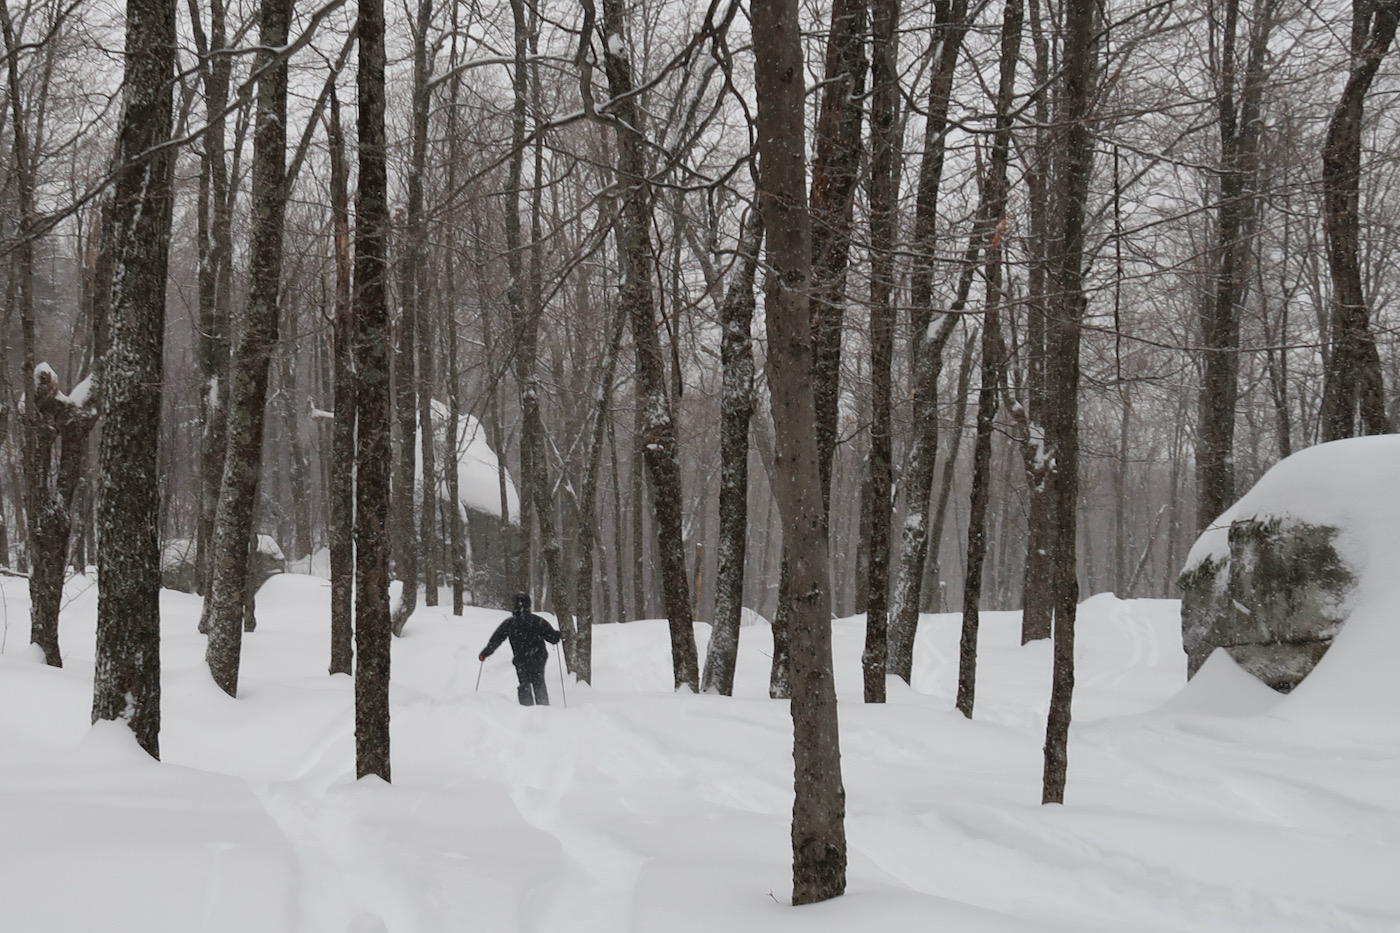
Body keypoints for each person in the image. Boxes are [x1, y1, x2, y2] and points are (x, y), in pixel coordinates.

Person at [479, 593, 562, 706]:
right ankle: (543, 708)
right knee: (539, 683)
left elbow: (496, 640)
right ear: (529, 605)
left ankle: (526, 708)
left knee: (524, 683)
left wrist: (485, 653)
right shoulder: (537, 621)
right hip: (539, 657)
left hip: (521, 659)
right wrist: (558, 635)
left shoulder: (510, 623)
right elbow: (552, 639)